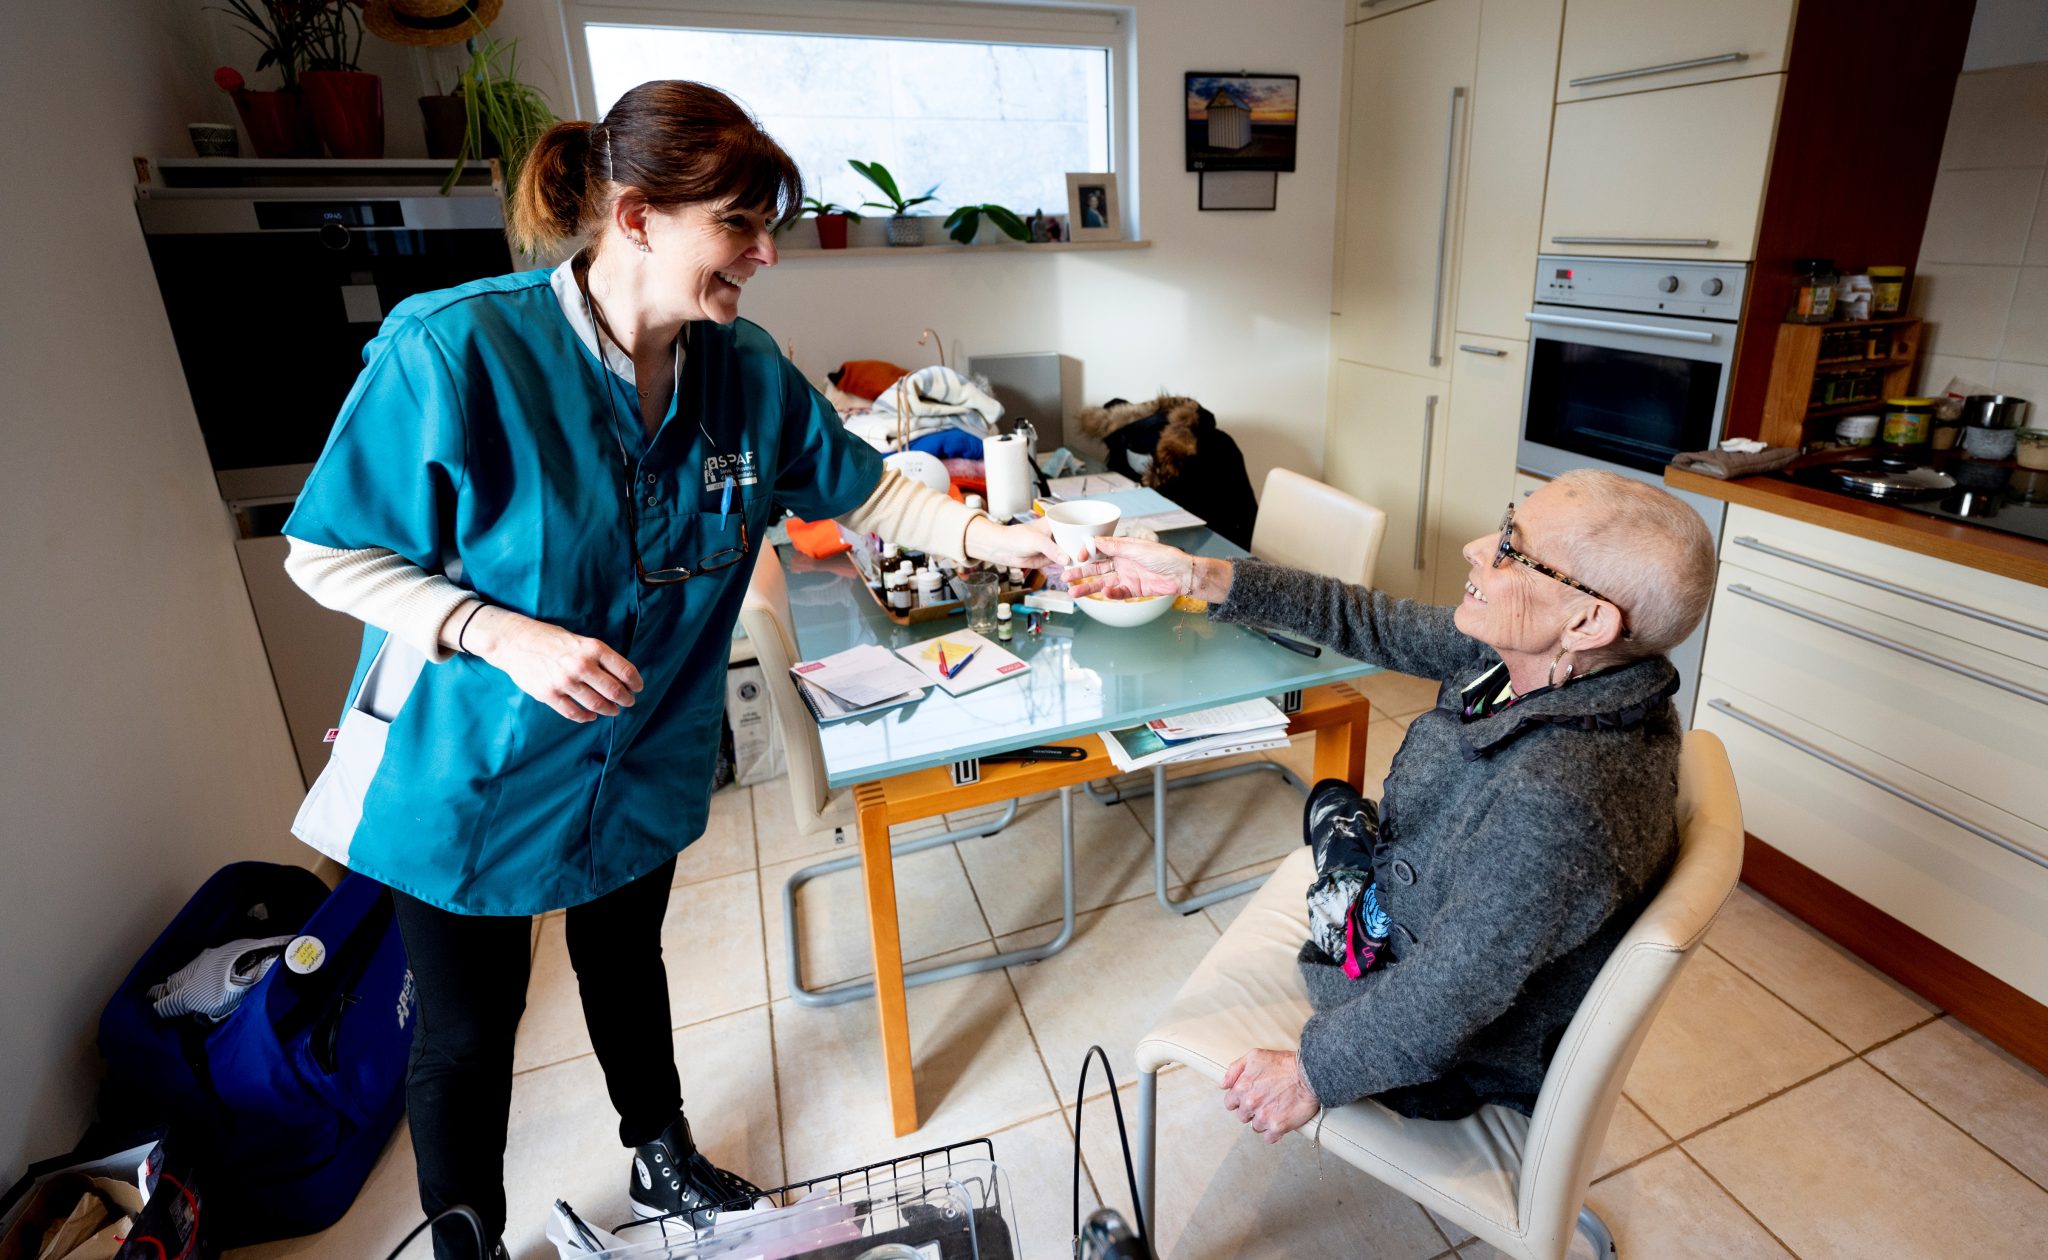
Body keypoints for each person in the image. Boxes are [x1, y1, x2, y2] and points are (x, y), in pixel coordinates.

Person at [281, 81, 1067, 1259]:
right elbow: (325, 551)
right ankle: (466, 1240)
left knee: (622, 960)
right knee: (466, 1031)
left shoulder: (741, 369)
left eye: (768, 228)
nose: (763, 254)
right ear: (638, 216)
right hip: (471, 763)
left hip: (640, 749)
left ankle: (659, 1157)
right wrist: (495, 630)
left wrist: (1011, 538)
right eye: (739, 226)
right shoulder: (456, 350)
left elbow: (871, 490)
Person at [1066, 469, 1716, 1136]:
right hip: (1437, 904)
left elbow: (1444, 1000)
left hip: (1448, 1052)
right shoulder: (1556, 665)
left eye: (1512, 549)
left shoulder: (1555, 806)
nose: (1475, 546)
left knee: (1332, 815)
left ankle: (1347, 859)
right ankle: (1349, 844)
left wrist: (1306, 1075)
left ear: (1587, 619)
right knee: (1333, 803)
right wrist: (1196, 577)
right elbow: (1365, 618)